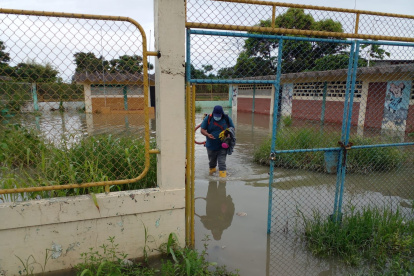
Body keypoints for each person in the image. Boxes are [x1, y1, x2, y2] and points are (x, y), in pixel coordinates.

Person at [200, 105, 235, 178]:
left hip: (223, 146)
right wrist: (207, 134)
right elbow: (202, 130)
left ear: (222, 113)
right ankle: (212, 179)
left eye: (219, 115)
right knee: (212, 163)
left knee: (222, 163)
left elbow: (233, 128)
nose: (217, 117)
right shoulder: (208, 118)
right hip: (211, 146)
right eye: (216, 115)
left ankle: (222, 180)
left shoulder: (227, 119)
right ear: (213, 113)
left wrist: (227, 133)